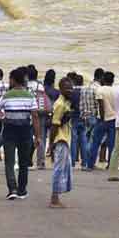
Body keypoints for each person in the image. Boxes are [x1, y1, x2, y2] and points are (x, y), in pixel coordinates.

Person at [0, 68, 41, 200]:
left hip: (9, 131)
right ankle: (22, 190)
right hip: (25, 131)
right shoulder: (30, 96)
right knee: (23, 162)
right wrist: (38, 136)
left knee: (9, 162)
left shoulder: (6, 96)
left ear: (13, 80)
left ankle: (12, 189)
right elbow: (35, 117)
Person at [49, 78, 75, 208]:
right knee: (59, 169)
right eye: (66, 88)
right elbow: (54, 125)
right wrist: (51, 144)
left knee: (64, 167)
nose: (69, 90)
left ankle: (56, 195)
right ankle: (54, 198)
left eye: (71, 88)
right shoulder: (60, 104)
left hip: (65, 138)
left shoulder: (66, 102)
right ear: (60, 89)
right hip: (60, 139)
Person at [79, 70, 104, 170]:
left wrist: (82, 115)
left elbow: (81, 104)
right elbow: (99, 105)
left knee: (86, 140)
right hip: (94, 116)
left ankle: (84, 163)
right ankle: (88, 163)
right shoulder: (98, 89)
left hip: (85, 116)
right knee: (93, 141)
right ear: (101, 77)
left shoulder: (85, 88)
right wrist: (101, 118)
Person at [27, 66, 50, 169]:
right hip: (39, 113)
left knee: (28, 138)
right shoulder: (40, 86)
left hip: (27, 114)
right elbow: (43, 100)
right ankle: (41, 162)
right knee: (40, 137)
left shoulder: (25, 86)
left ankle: (27, 160)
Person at [95, 71, 117, 169]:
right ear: (113, 80)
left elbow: (101, 106)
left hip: (103, 119)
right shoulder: (115, 90)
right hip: (113, 119)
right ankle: (111, 165)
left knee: (95, 142)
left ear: (103, 79)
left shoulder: (100, 90)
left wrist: (102, 118)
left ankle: (90, 164)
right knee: (112, 144)